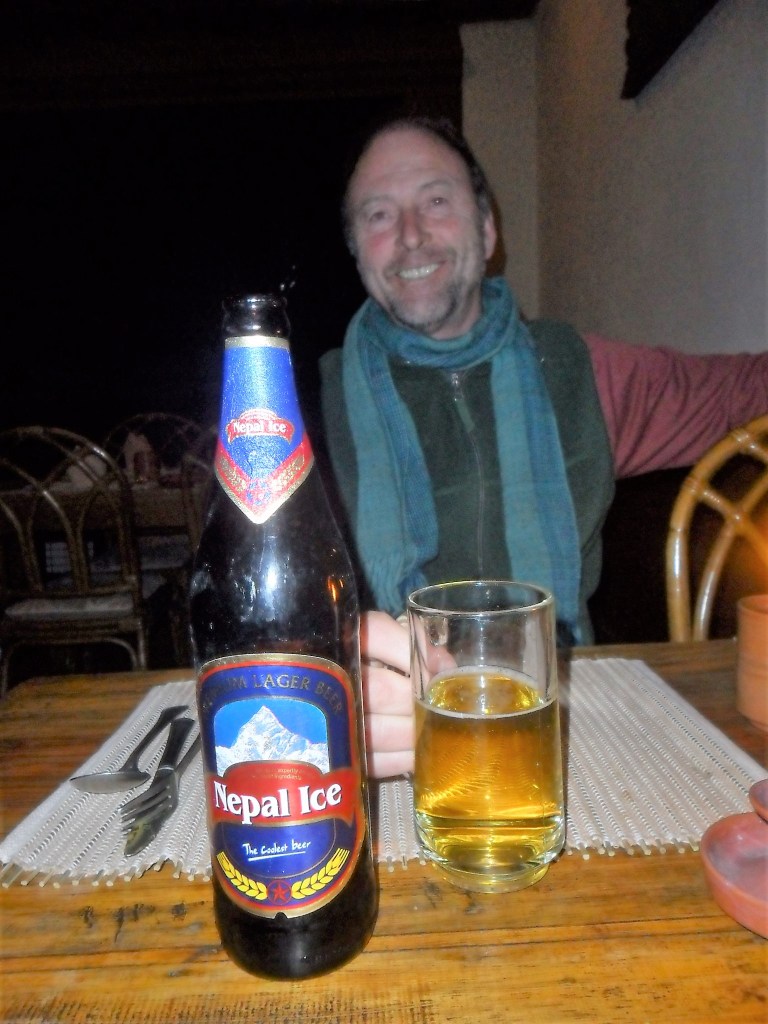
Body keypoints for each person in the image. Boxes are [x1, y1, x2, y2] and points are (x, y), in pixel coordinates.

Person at [318, 115, 768, 778]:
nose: (410, 234)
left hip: (566, 729)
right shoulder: (302, 412)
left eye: (436, 200)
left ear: (487, 229)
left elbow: (743, 390)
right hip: (385, 745)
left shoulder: (581, 370)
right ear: (358, 253)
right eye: (379, 214)